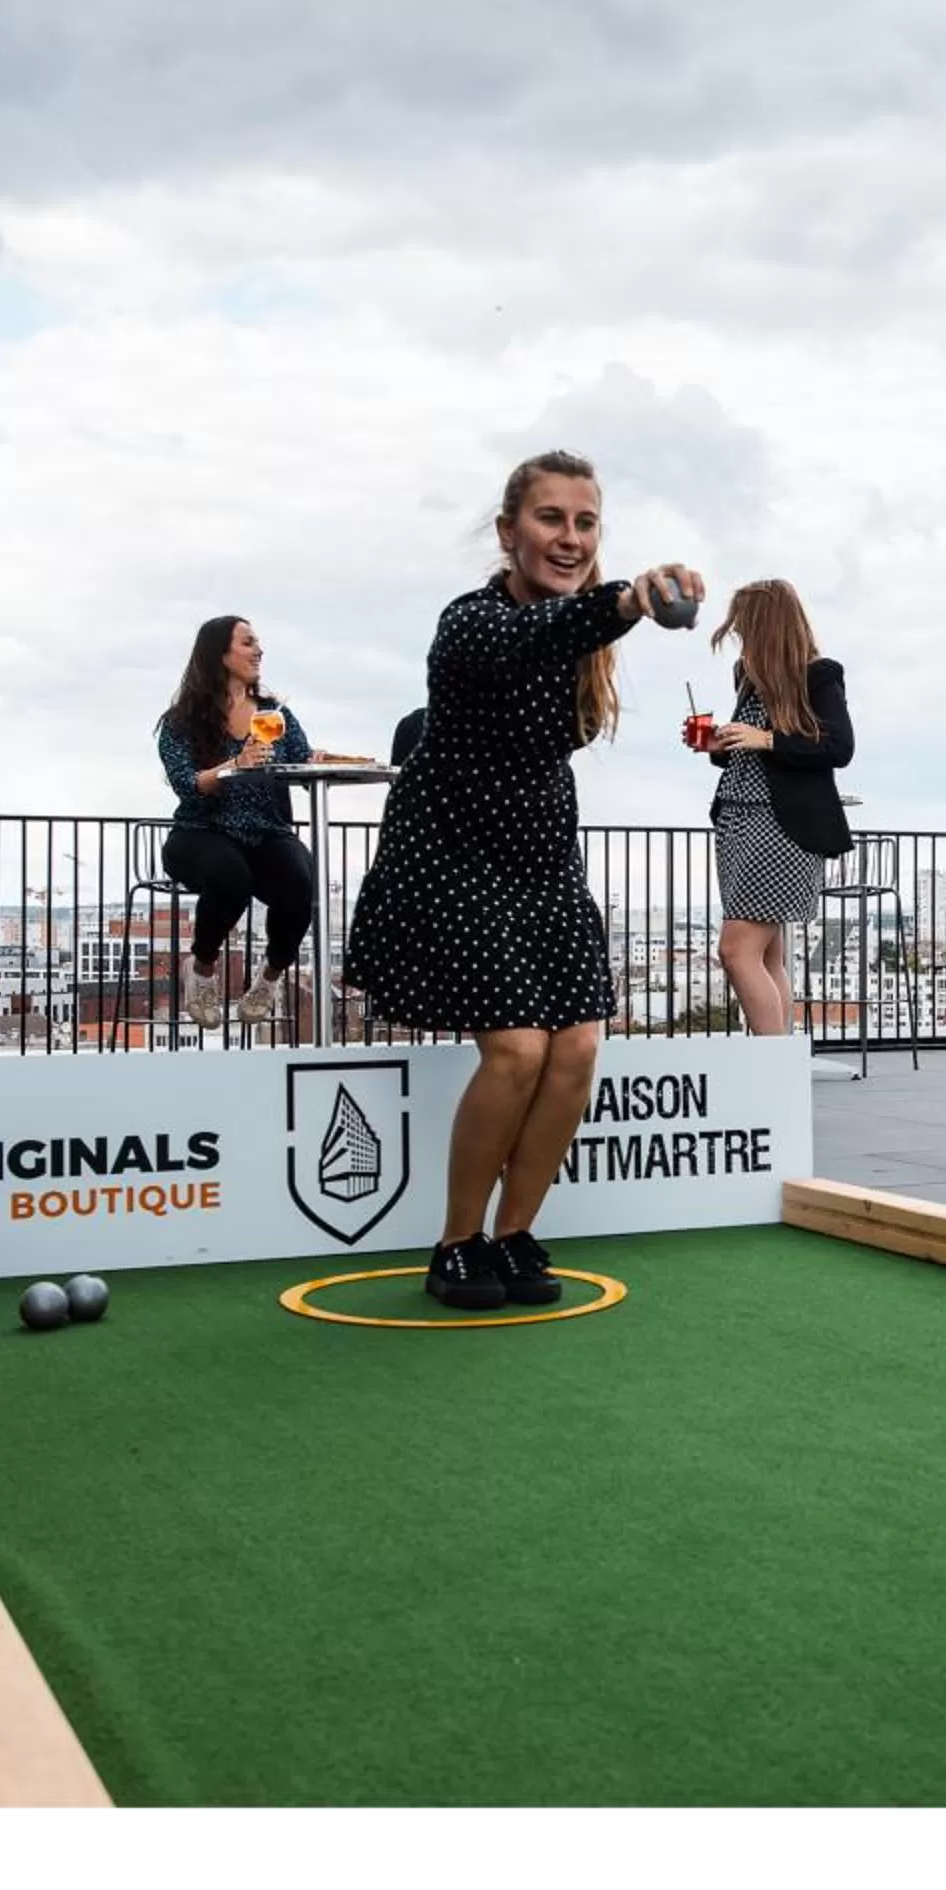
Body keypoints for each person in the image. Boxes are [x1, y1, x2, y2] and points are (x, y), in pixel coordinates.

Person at [342, 450, 704, 1310]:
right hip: (449, 854)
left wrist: (618, 610)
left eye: (585, 523)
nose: (570, 537)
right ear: (508, 533)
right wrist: (626, 601)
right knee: (516, 1049)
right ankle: (455, 1245)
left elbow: (567, 646)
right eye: (551, 519)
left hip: (540, 856)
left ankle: (514, 1234)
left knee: (577, 1047)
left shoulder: (585, 640)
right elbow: (534, 635)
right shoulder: (470, 623)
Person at [691, 579, 854, 1035]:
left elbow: (838, 747)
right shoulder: (748, 675)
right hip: (738, 820)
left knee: (736, 951)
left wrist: (766, 739)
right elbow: (747, 748)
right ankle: (777, 1063)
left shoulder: (818, 674)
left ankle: (769, 1063)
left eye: (745, 626)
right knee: (766, 954)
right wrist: (719, 744)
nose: (740, 635)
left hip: (782, 828)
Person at [152, 616, 319, 1029]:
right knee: (231, 877)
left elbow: (301, 759)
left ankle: (269, 979)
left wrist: (320, 762)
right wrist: (234, 764)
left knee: (302, 881)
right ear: (220, 655)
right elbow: (187, 785)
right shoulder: (181, 721)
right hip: (201, 832)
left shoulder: (275, 715)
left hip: (265, 831)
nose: (258, 650)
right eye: (248, 643)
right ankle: (203, 969)